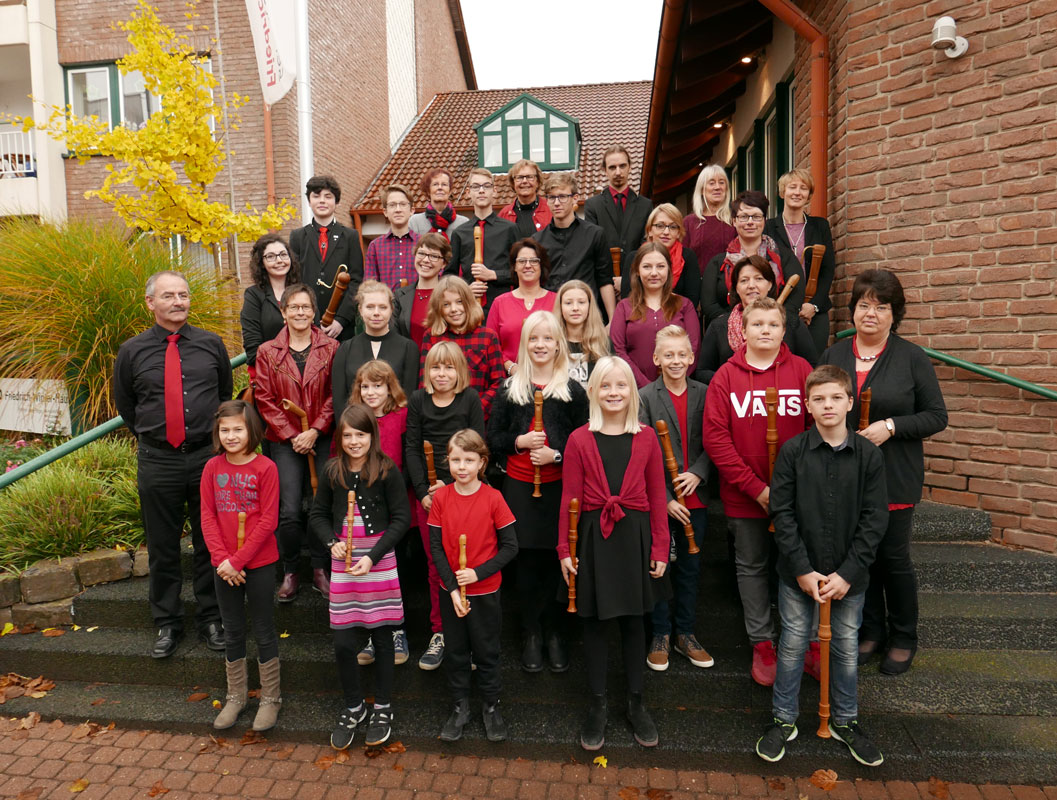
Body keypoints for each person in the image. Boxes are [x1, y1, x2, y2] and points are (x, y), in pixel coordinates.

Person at [757, 364, 888, 767]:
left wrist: (848, 573)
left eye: (835, 398)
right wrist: (801, 568)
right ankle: (784, 718)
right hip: (799, 571)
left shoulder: (869, 455)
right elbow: (783, 513)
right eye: (819, 399)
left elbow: (875, 518)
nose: (827, 405)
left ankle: (845, 721)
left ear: (850, 402)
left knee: (847, 648)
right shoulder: (794, 453)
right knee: (793, 643)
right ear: (808, 405)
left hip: (851, 577)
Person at [819, 269, 947, 676]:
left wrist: (891, 427)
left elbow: (936, 416)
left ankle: (904, 635)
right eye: (863, 305)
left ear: (895, 314)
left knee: (892, 558)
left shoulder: (912, 357)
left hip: (894, 477)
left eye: (881, 306)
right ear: (852, 310)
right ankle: (870, 631)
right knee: (861, 558)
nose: (870, 313)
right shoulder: (834, 355)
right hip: (846, 478)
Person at [114, 270, 231, 659]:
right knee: (163, 546)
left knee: (209, 542)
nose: (178, 301)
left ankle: (212, 618)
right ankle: (167, 622)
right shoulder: (132, 351)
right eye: (169, 296)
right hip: (158, 459)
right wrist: (157, 435)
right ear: (150, 303)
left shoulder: (211, 345)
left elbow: (225, 395)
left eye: (183, 294)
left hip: (205, 458)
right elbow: (127, 407)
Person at [558, 357, 669, 752]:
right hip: (593, 537)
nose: (614, 393)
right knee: (595, 623)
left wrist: (660, 546)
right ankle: (598, 703)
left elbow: (658, 496)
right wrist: (564, 550)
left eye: (621, 386)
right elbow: (569, 497)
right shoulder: (579, 439)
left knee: (636, 621)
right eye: (605, 386)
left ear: (632, 392)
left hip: (635, 536)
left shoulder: (646, 438)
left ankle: (637, 702)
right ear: (593, 392)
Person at [702, 297, 812, 687]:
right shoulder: (725, 378)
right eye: (757, 324)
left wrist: (789, 490)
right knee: (751, 566)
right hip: (745, 494)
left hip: (798, 496)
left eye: (773, 324)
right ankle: (762, 643)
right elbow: (716, 439)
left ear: (784, 330)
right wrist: (756, 489)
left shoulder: (801, 370)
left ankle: (806, 642)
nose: (765, 330)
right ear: (742, 330)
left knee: (799, 564)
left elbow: (818, 427)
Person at [487, 311, 588, 673]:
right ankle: (530, 632)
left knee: (554, 561)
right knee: (526, 564)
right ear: (524, 344)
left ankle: (554, 632)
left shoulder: (573, 390)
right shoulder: (509, 388)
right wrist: (519, 441)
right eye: (534, 339)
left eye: (548, 339)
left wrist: (555, 454)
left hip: (560, 490)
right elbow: (492, 439)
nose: (541, 345)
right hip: (518, 489)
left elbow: (584, 439)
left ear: (559, 344)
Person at [311, 404, 411, 750]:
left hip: (377, 560)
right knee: (342, 641)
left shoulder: (386, 469)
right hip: (345, 560)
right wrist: (331, 543)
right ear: (340, 438)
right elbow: (318, 514)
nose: (354, 441)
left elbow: (401, 518)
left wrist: (373, 556)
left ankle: (382, 706)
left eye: (361, 435)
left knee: (383, 638)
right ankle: (354, 706)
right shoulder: (331, 470)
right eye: (348, 435)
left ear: (372, 436)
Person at [430, 429, 518, 743]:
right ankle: (460, 706)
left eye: (469, 460)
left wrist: (478, 573)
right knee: (455, 651)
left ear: (482, 462)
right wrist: (453, 587)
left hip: (485, 591)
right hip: (450, 592)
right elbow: (437, 549)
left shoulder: (493, 497)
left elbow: (510, 547)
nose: (462, 466)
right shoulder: (440, 497)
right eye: (455, 460)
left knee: (487, 651)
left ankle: (491, 707)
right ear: (448, 462)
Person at [200, 400, 281, 732]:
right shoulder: (212, 468)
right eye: (225, 430)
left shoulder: (266, 468)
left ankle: (271, 698)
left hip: (259, 563)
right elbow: (207, 516)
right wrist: (223, 561)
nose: (231, 435)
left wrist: (238, 560)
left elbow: (268, 520)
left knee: (263, 629)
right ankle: (236, 696)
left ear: (252, 431)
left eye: (238, 429)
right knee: (232, 629)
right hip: (223, 568)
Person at [254, 284, 339, 602]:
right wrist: (293, 434)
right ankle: (290, 571)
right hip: (284, 440)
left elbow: (335, 393)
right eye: (294, 307)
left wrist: (315, 429)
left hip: (322, 437)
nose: (300, 312)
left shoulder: (331, 347)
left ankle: (320, 569)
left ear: (314, 311)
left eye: (306, 307)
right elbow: (264, 398)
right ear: (283, 312)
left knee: (321, 505)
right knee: (288, 510)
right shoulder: (267, 352)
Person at [405, 341, 487, 671]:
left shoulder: (469, 400)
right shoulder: (417, 400)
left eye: (449, 367)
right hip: (430, 500)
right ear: (427, 371)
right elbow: (411, 447)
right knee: (436, 565)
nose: (442, 374)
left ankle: (470, 636)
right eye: (436, 367)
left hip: (465, 493)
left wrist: (454, 488)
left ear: (460, 371)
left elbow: (479, 448)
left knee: (468, 562)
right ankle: (440, 633)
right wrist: (424, 492)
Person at [638, 326, 712, 672]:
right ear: (656, 359)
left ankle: (685, 632)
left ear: (692, 357)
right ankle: (661, 633)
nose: (676, 360)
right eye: (668, 354)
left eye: (682, 354)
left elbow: (716, 441)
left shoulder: (706, 393)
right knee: (659, 568)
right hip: (661, 501)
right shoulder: (645, 397)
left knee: (690, 570)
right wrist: (664, 498)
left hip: (696, 497)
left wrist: (698, 472)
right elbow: (639, 453)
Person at [345, 360, 412, 668]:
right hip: (364, 511)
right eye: (365, 386)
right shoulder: (354, 422)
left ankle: (398, 631)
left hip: (396, 505)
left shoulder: (402, 416)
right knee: (370, 576)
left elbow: (408, 456)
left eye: (378, 386)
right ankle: (375, 633)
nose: (371, 392)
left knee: (398, 573)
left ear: (390, 388)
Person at [696, 255, 817, 384]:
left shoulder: (791, 323)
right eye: (744, 280)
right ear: (736, 288)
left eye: (759, 279)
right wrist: (732, 381)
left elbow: (812, 367)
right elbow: (702, 371)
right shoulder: (719, 326)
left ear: (770, 284)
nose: (751, 285)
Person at [701, 190, 803, 326]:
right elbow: (709, 304)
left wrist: (774, 321)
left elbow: (796, 296)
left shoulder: (784, 257)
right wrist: (737, 325)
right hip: (728, 331)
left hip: (776, 329)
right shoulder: (718, 262)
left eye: (756, 217)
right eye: (743, 217)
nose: (750, 222)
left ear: (764, 221)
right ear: (734, 221)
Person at [765, 168, 837, 354]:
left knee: (814, 367)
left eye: (803, 188)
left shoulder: (820, 226)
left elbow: (827, 270)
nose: (797, 192)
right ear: (783, 192)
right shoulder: (768, 227)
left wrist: (813, 305)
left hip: (815, 310)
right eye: (792, 187)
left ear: (809, 195)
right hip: (780, 309)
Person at [610, 243, 700, 388]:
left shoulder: (684, 305)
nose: (654, 273)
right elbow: (618, 350)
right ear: (637, 271)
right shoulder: (624, 307)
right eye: (647, 267)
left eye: (660, 266)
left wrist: (672, 383)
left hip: (677, 389)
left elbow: (693, 348)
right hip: (634, 391)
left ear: (669, 270)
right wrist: (647, 388)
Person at [418, 275, 506, 418]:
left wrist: (474, 410)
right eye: (446, 304)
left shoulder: (488, 337)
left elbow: (498, 383)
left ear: (469, 303)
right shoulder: (432, 337)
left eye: (459, 302)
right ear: (438, 309)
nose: (454, 309)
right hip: (440, 419)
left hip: (478, 419)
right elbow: (425, 382)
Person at [289, 175, 364, 339]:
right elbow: (294, 281)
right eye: (316, 196)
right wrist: (309, 319)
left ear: (336, 202)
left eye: (328, 196)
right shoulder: (297, 237)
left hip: (342, 329)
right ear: (309, 201)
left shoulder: (350, 236)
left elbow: (356, 281)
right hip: (307, 325)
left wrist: (341, 320)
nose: (322, 201)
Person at [534, 173, 616, 320]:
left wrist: (612, 320)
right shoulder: (537, 241)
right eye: (551, 198)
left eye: (562, 196)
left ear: (575, 198)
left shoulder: (594, 234)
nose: (557, 203)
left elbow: (605, 280)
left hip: (588, 316)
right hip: (552, 316)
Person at [332, 281, 418, 411]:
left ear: (392, 309)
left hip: (397, 428)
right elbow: (339, 401)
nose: (376, 313)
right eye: (370, 307)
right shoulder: (345, 349)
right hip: (355, 427)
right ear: (360, 309)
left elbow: (409, 399)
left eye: (383, 307)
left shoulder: (408, 348)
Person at [447, 167, 518, 308]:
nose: (481, 190)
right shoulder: (459, 233)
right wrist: (465, 289)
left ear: (495, 191)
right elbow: (449, 275)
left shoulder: (510, 229)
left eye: (486, 186)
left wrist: (494, 275)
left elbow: (521, 271)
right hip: (470, 306)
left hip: (502, 305)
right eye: (475, 187)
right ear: (468, 193)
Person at [485, 239, 557, 368]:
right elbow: (490, 346)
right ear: (514, 267)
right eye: (522, 261)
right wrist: (511, 367)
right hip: (509, 379)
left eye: (534, 261)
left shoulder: (557, 301)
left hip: (551, 377)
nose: (528, 265)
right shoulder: (500, 303)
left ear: (542, 266)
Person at [240, 233, 302, 375]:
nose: (279, 260)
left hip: (303, 371)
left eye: (283, 255)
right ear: (261, 263)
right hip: (268, 373)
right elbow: (252, 345)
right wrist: (281, 371)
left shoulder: (303, 292)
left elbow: (314, 332)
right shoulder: (253, 295)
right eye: (271, 256)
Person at [619, 204, 702, 309]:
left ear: (678, 233)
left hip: (678, 318)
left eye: (672, 227)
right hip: (639, 317)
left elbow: (692, 301)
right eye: (660, 226)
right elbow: (627, 299)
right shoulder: (634, 258)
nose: (666, 232)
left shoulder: (688, 257)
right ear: (649, 230)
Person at [584, 145, 653, 265]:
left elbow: (646, 243)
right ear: (605, 170)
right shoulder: (592, 205)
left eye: (622, 166)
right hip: (605, 276)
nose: (618, 172)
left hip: (636, 273)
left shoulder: (645, 205)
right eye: (612, 167)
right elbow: (592, 245)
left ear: (629, 167)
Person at [394, 233, 451, 349]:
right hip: (410, 363)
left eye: (434, 256)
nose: (425, 260)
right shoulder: (400, 296)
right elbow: (395, 336)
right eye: (421, 253)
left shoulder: (450, 295)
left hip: (441, 363)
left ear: (444, 263)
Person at [556, 279, 610, 389]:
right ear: (560, 307)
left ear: (590, 307)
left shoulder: (605, 343)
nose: (575, 308)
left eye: (581, 302)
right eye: (568, 303)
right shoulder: (552, 344)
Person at [364, 184, 418, 290]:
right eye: (392, 205)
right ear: (385, 212)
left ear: (412, 210)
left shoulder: (423, 244)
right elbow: (370, 286)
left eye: (403, 204)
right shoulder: (375, 246)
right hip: (386, 305)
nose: (398, 209)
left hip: (418, 304)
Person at [684, 164, 736, 270]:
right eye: (711, 183)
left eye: (722, 182)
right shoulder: (689, 222)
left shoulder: (735, 220)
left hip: (728, 283)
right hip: (697, 284)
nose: (717, 187)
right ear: (702, 189)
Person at [409, 168, 469, 238]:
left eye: (444, 184)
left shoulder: (463, 223)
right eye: (435, 184)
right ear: (428, 191)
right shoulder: (415, 222)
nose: (440, 188)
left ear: (450, 191)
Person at [498, 158, 552, 237]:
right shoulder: (504, 215)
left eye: (529, 177)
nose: (524, 181)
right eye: (519, 177)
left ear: (537, 182)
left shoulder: (551, 209)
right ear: (513, 183)